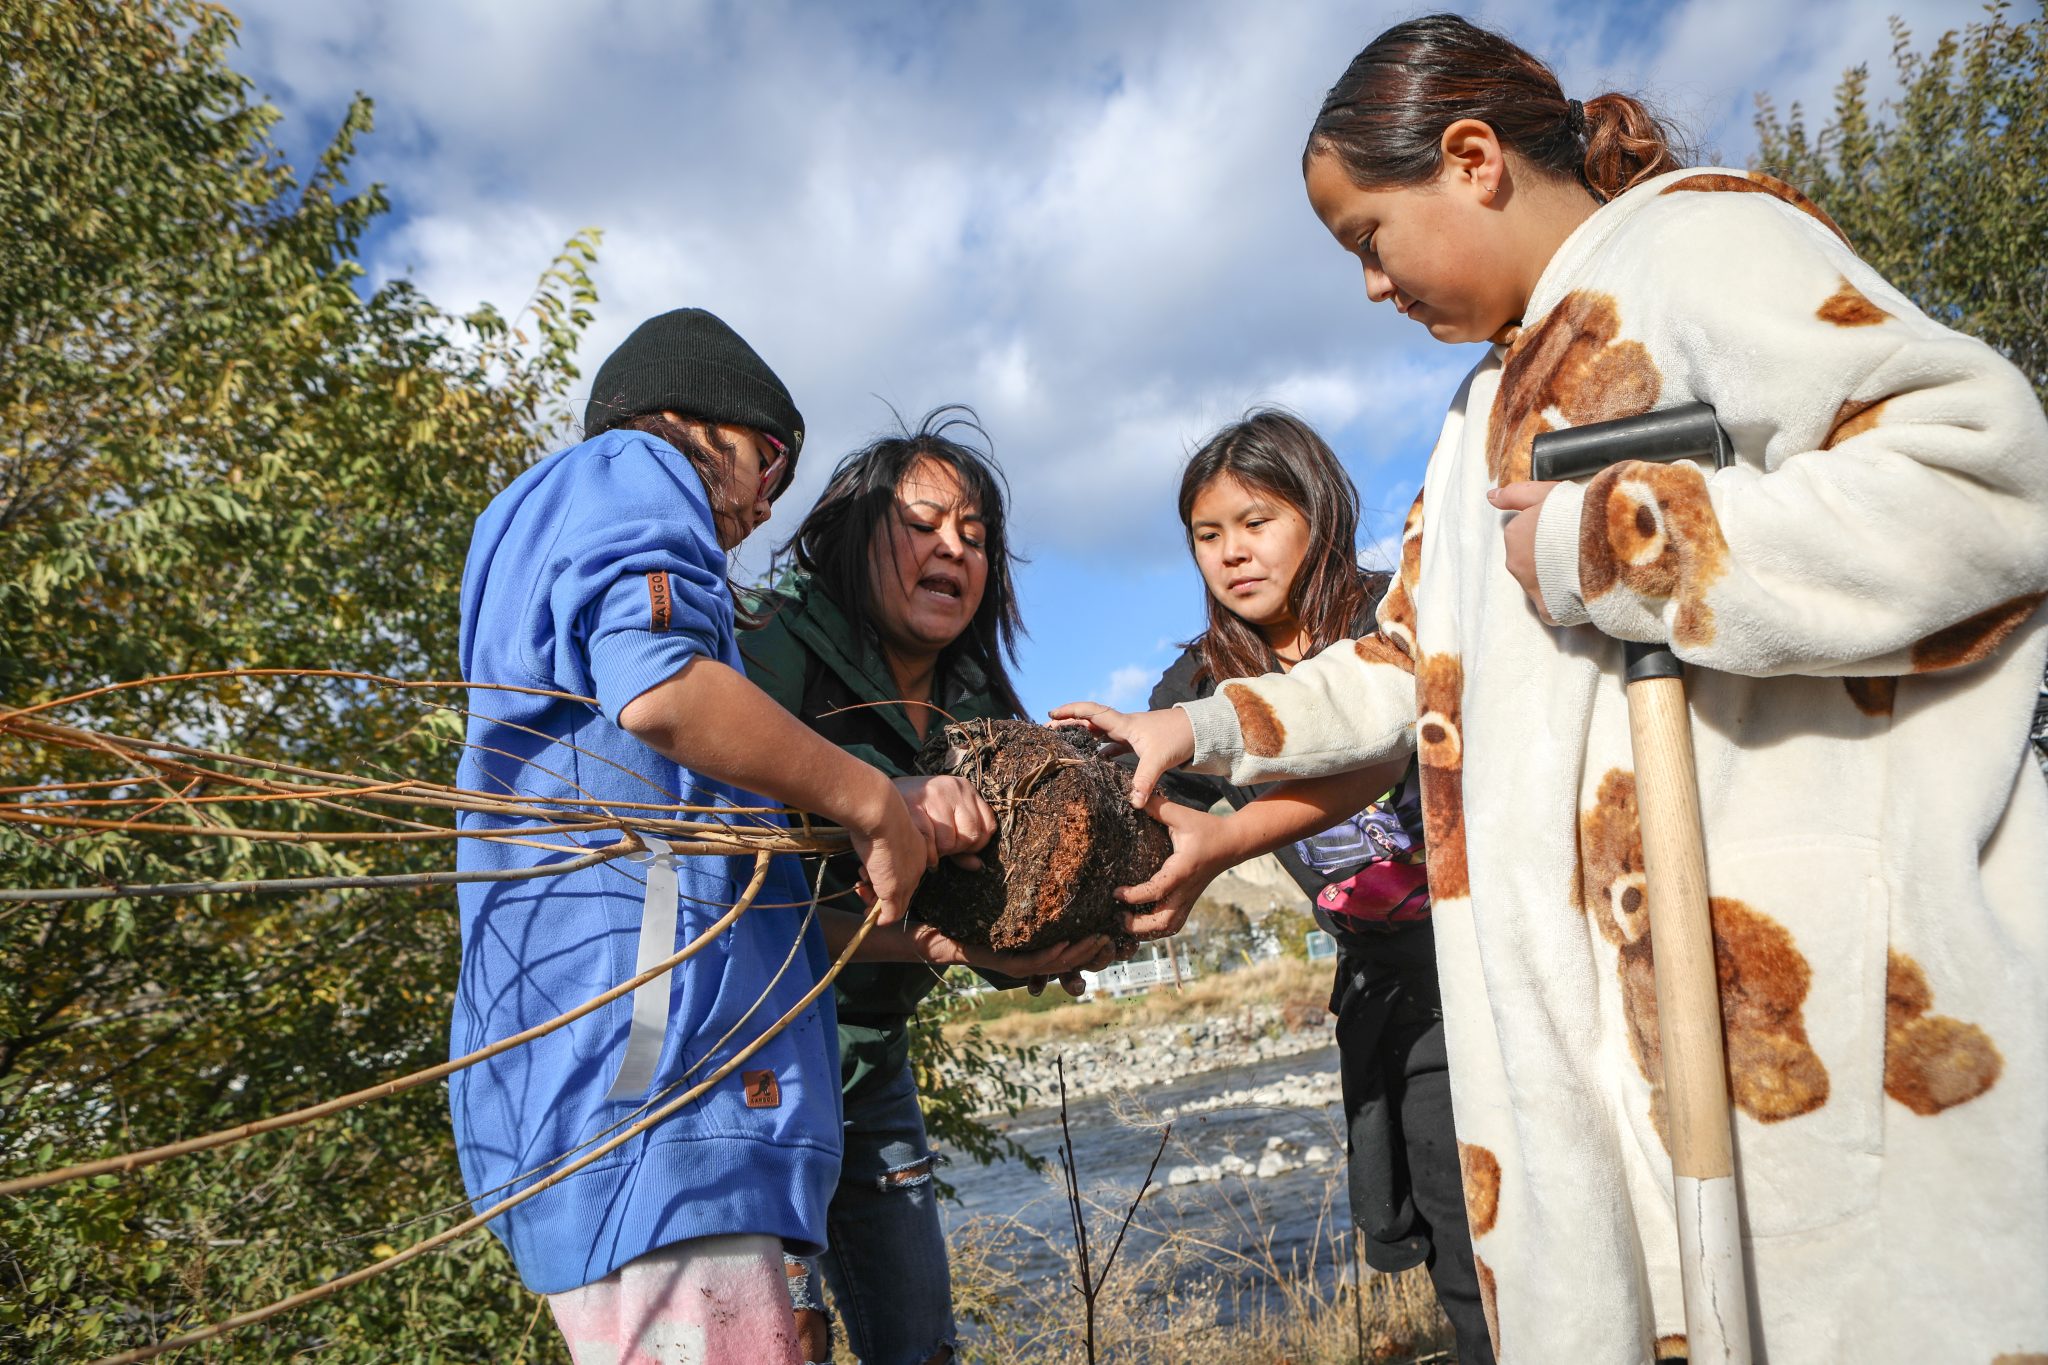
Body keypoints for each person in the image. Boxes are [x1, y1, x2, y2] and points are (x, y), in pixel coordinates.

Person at [1055, 14, 2048, 1362]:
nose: (1370, 286)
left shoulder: (1703, 244)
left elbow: (1986, 481)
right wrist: (1196, 724)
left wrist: (1611, 542)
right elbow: (1407, 665)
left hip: (1803, 1026)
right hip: (1596, 1070)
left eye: (1368, 239)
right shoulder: (1472, 422)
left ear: (1471, 159)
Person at [451, 310, 977, 1365]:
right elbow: (656, 686)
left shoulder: (530, 550)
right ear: (695, 422)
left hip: (610, 1100)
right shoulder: (631, 467)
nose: (759, 507)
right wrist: (871, 798)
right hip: (655, 1093)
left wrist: (949, 941)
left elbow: (740, 903)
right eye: (765, 461)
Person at [742, 407, 1110, 1365]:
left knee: (919, 1347)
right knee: (786, 1345)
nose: (955, 546)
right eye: (924, 522)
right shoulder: (770, 654)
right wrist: (938, 940)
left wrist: (1060, 934)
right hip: (748, 1075)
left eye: (976, 536)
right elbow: (728, 905)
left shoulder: (979, 705)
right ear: (860, 529)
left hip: (867, 1064)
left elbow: (991, 906)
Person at [1140, 409, 1492, 1362]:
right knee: (1467, 1270)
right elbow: (1132, 813)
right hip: (1395, 998)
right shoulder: (1203, 680)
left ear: (1318, 513)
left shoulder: (1396, 619)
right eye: (1207, 536)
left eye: (1255, 521)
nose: (1231, 554)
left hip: (1497, 963)